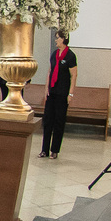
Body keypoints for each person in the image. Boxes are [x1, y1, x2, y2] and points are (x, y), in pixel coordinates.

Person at [40, 31, 78, 160]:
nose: (56, 40)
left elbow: (74, 75)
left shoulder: (70, 56)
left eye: (57, 38)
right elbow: (50, 71)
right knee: (47, 121)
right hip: (52, 92)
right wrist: (46, 88)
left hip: (62, 93)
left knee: (59, 121)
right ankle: (44, 150)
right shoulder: (54, 54)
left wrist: (70, 93)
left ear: (63, 39)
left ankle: (54, 150)